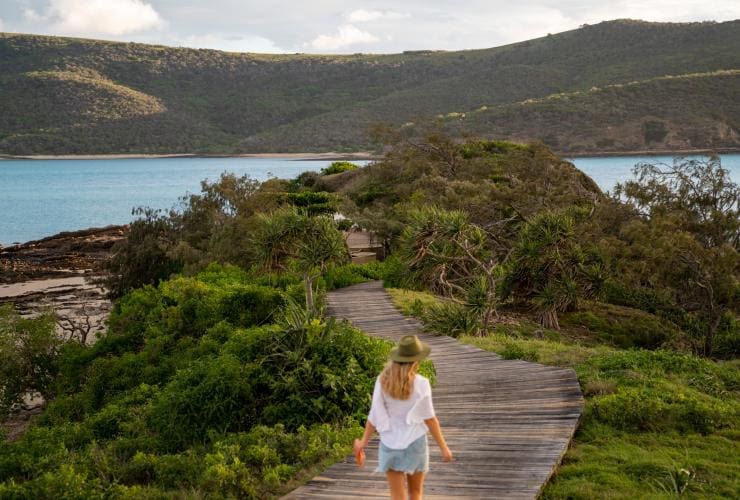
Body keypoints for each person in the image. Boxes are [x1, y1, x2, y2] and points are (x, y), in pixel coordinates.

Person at [354, 334, 453, 500]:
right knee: (415, 493)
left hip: (390, 444)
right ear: (415, 361)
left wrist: (363, 442)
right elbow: (430, 419)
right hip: (415, 443)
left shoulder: (382, 381)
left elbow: (374, 415)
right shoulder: (421, 383)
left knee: (397, 496)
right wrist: (444, 447)